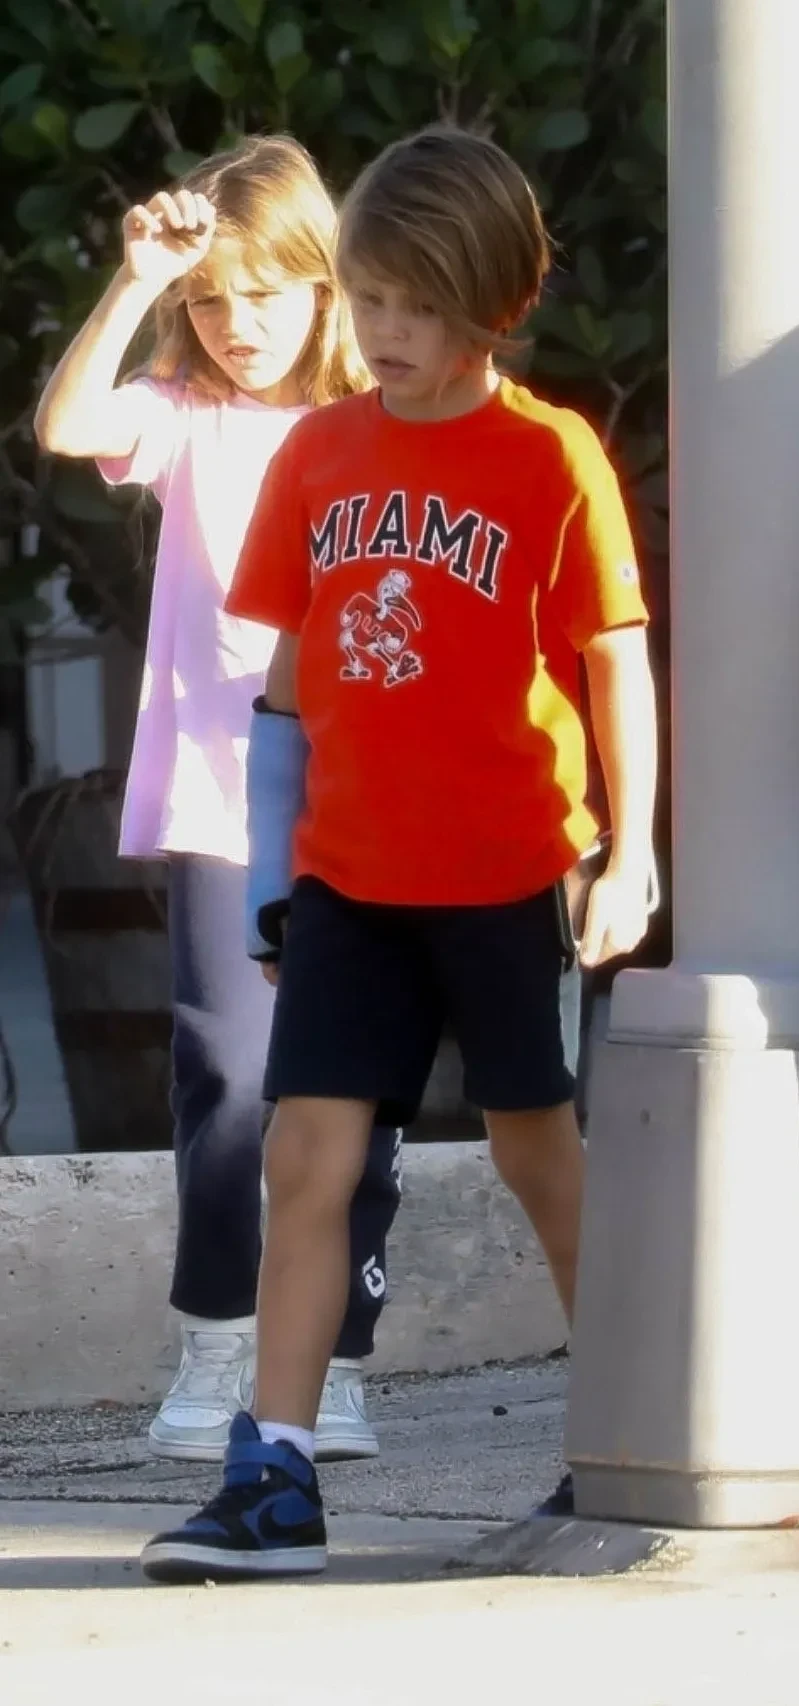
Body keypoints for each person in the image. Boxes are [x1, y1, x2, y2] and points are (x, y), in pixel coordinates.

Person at [141, 126, 659, 1582]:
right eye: (368, 299)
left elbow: (615, 657)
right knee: (306, 1154)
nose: (384, 331)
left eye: (417, 306)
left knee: (536, 1150)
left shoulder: (551, 455)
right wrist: (269, 876)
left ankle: (629, 1437)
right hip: (347, 881)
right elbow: (288, 681)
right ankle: (275, 1475)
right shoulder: (318, 450)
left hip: (509, 874)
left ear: (497, 298)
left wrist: (633, 852)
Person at [35, 140, 402, 1464]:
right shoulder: (185, 413)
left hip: (373, 798)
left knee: (356, 1076)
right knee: (229, 1073)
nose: (235, 324)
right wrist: (140, 281)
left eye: (263, 293)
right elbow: (67, 426)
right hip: (220, 796)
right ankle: (215, 1338)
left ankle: (337, 1363)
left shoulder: (382, 418)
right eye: (210, 301)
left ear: (325, 284)